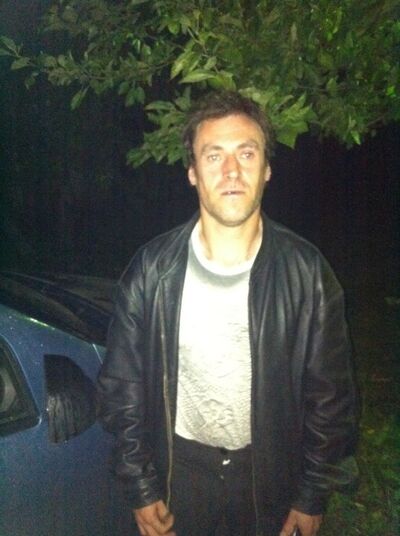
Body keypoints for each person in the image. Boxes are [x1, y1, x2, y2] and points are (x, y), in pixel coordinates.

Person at [97, 91, 358, 536]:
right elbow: (123, 389)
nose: (232, 171)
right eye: (214, 155)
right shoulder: (153, 270)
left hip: (271, 476)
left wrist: (312, 493)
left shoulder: (306, 272)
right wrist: (140, 485)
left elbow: (330, 398)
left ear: (267, 168)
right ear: (193, 173)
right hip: (179, 475)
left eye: (247, 153)